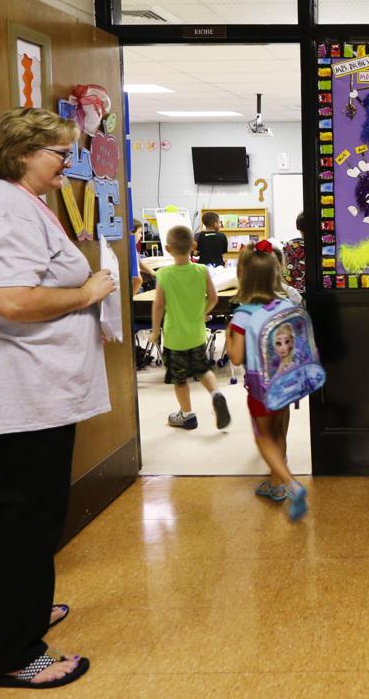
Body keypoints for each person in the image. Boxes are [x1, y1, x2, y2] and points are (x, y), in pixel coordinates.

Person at [0, 108, 115, 688]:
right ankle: (17, 653)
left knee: (24, 517)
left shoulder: (13, 200)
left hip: (33, 391)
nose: (66, 164)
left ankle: (14, 618)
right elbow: (11, 301)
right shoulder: (1, 206)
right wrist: (87, 292)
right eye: (57, 154)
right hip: (17, 391)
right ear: (23, 154)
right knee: (25, 518)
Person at [226, 241, 308, 519]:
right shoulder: (285, 304)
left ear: (243, 276)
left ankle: (290, 484)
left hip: (261, 385)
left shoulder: (243, 314)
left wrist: (229, 336)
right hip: (286, 380)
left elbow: (236, 358)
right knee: (279, 431)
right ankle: (275, 483)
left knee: (263, 437)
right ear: (276, 272)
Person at [151, 225, 231, 432]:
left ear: (167, 249)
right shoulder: (201, 270)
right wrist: (203, 312)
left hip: (174, 337)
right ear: (194, 246)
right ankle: (216, 395)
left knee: (180, 378)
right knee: (203, 369)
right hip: (196, 334)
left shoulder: (164, 274)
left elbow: (158, 305)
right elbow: (213, 298)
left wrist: (154, 330)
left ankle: (186, 415)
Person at [281, 211, 306, 293]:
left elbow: (285, 272)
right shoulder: (320, 246)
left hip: (293, 291)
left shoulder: (287, 246)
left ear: (298, 227)